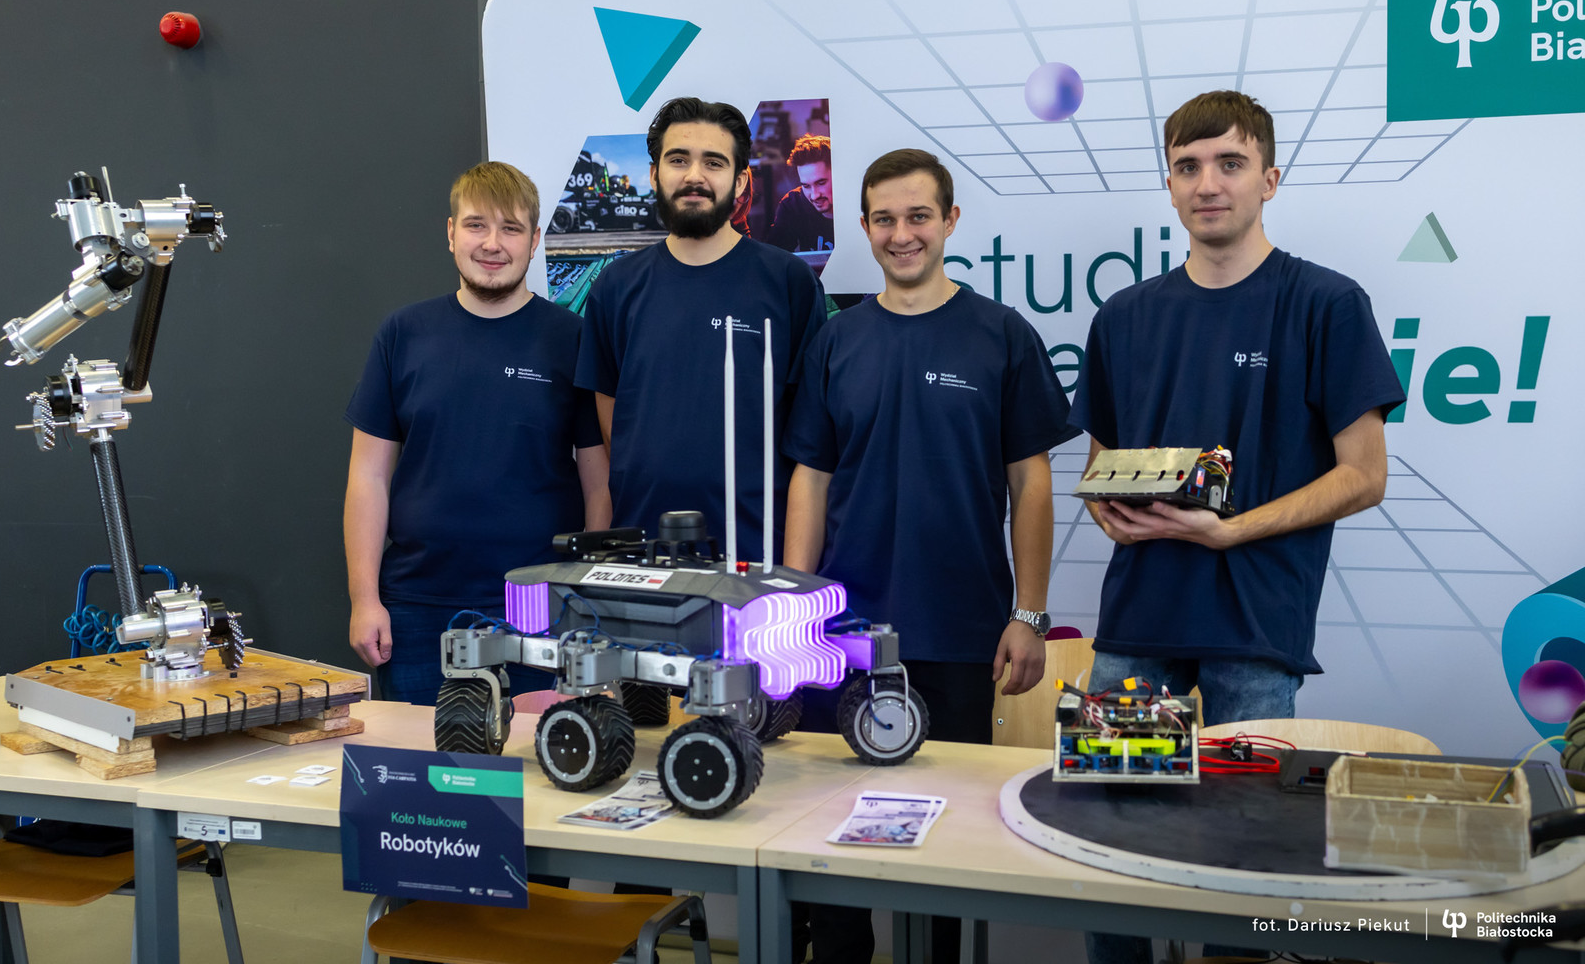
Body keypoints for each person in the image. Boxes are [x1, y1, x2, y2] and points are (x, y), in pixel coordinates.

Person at [1070, 91, 1405, 964]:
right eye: (1187, 167)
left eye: (1229, 163)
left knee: (1244, 865)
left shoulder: (1325, 303)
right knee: (1109, 853)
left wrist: (1233, 530)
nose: (1207, 184)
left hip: (1256, 630)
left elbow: (1365, 475)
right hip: (1138, 624)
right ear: (1169, 185)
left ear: (1269, 178)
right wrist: (1109, 505)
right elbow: (1103, 461)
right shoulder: (1125, 317)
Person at [782, 148, 1078, 964]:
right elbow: (811, 477)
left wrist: (1028, 614)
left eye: (919, 216)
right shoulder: (837, 340)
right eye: (884, 219)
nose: (902, 234)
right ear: (864, 226)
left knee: (942, 847)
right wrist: (794, 608)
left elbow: (1032, 482)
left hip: (960, 633)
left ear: (950, 221)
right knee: (833, 846)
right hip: (844, 636)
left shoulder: (1001, 335)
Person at [344, 161, 610, 705]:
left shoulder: (573, 339)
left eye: (510, 228)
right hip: (417, 609)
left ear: (534, 240)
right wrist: (364, 600)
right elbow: (367, 477)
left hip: (541, 608)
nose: (492, 244)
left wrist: (585, 593)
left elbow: (599, 482)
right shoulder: (403, 334)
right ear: (451, 233)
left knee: (541, 756)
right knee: (425, 759)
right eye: (476, 225)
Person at [577, 97, 827, 561]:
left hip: (757, 554)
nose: (695, 176)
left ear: (741, 180)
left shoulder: (788, 281)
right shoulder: (615, 286)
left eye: (714, 162)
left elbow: (809, 439)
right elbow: (614, 427)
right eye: (678, 160)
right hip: (644, 553)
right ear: (654, 175)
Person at [767, 134, 834, 253]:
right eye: (806, 186)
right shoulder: (792, 205)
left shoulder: (857, 202)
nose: (814, 195)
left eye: (821, 183)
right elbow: (773, 257)